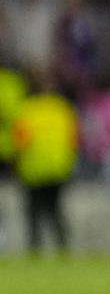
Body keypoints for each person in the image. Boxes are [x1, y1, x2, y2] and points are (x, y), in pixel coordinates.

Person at [13, 73, 78, 254]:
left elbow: (20, 142)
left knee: (34, 212)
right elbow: (74, 140)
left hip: (33, 169)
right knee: (56, 210)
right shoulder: (63, 109)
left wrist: (16, 164)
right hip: (59, 167)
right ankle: (63, 249)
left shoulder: (26, 111)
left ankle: (35, 249)